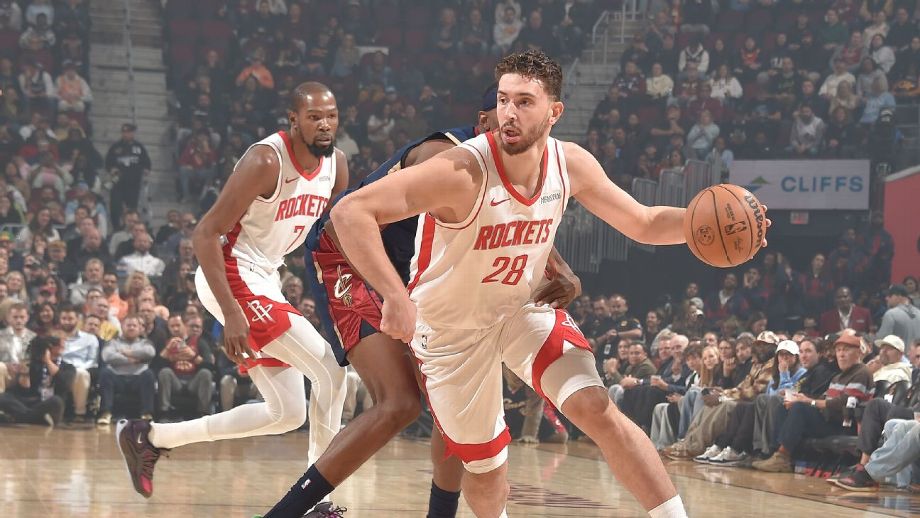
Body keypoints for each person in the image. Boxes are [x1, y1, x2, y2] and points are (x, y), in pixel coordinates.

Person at [318, 50, 716, 518]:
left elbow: (644, 222)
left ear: (554, 112)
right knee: (487, 474)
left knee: (595, 407)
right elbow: (350, 211)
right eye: (504, 100)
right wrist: (393, 294)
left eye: (524, 102)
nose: (509, 112)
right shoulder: (461, 170)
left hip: (520, 309)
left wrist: (705, 224)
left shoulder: (571, 164)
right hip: (451, 332)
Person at [268, 85, 581, 518]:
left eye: (525, 110)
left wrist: (559, 267)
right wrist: (394, 295)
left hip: (412, 271)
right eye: (504, 109)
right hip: (347, 255)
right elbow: (347, 221)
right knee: (399, 402)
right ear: (483, 120)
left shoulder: (515, 170)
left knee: (453, 397)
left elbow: (523, 225)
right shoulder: (445, 156)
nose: (514, 121)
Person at [114, 83, 349, 516]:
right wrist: (232, 313)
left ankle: (150, 437)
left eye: (331, 115)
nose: (324, 124)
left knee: (287, 413)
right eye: (314, 116)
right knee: (332, 372)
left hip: (267, 278)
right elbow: (204, 233)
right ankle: (317, 501)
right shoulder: (266, 160)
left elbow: (329, 239)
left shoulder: (338, 166)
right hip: (231, 273)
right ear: (293, 120)